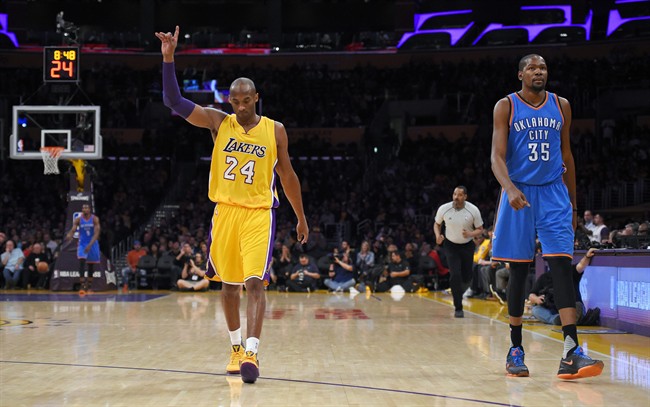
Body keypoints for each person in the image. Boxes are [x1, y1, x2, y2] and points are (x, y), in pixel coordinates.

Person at [156, 26, 309, 384]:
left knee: (255, 283)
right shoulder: (217, 122)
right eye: (235, 102)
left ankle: (253, 353)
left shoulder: (275, 130)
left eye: (246, 101)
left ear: (256, 97)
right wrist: (168, 58)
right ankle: (236, 347)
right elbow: (174, 103)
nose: (240, 107)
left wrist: (301, 217)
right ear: (230, 101)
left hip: (258, 215)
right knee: (227, 285)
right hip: (225, 212)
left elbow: (287, 176)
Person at [491, 54, 603, 379]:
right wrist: (509, 188)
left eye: (542, 67)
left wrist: (574, 204)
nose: (538, 71)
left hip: (554, 191)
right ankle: (515, 348)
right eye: (531, 67)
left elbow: (567, 154)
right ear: (520, 74)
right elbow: (496, 157)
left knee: (562, 268)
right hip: (519, 191)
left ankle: (571, 352)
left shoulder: (562, 105)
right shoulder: (506, 106)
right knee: (519, 270)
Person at [434, 186, 484, 318]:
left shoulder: (473, 210)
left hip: (467, 245)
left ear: (465, 197)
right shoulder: (444, 208)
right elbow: (437, 224)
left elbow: (480, 229)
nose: (456, 197)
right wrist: (437, 235)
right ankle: (458, 307)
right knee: (455, 274)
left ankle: (457, 292)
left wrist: (470, 233)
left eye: (460, 195)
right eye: (455, 194)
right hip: (450, 245)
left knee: (467, 276)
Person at [529, 248, 597, 325]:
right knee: (536, 310)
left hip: (572, 304)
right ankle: (557, 319)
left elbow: (581, 265)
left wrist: (587, 256)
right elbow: (531, 295)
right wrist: (536, 299)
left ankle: (569, 318)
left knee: (578, 306)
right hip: (554, 310)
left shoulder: (570, 271)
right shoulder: (544, 277)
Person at [65, 204, 101, 295]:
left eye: (86, 208)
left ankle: (89, 287)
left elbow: (96, 234)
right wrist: (70, 234)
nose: (84, 209)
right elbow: (73, 229)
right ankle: (82, 286)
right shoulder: (78, 219)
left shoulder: (94, 219)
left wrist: (90, 245)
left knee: (90, 266)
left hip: (92, 243)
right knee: (81, 262)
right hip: (82, 243)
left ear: (89, 209)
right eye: (83, 208)